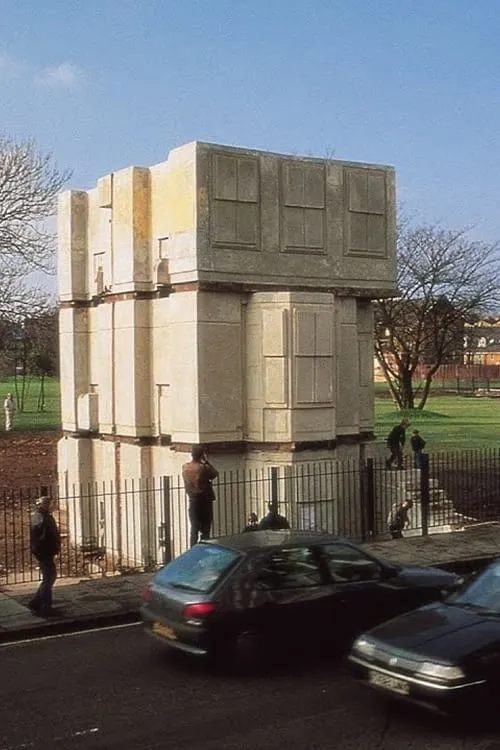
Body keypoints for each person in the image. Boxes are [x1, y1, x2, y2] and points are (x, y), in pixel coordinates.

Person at [28, 495, 61, 615]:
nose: (52, 506)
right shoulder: (42, 518)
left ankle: (36, 602)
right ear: (43, 505)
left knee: (49, 577)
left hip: (44, 551)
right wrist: (52, 546)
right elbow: (44, 537)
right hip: (45, 552)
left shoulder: (41, 516)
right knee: (49, 578)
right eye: (49, 504)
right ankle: (45, 607)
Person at [182, 445, 219, 547]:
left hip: (192, 499)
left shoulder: (185, 467)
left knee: (194, 528)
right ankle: (204, 547)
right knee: (206, 528)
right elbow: (215, 474)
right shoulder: (203, 467)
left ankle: (192, 548)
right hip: (204, 500)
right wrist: (206, 461)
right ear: (202, 455)